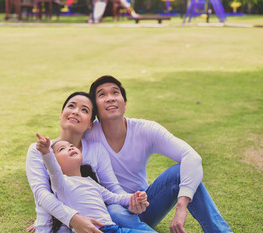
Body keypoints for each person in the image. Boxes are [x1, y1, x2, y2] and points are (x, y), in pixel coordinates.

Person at [84, 75, 232, 233]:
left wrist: (181, 205)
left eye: (115, 92)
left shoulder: (145, 130)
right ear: (94, 108)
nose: (110, 98)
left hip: (145, 205)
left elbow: (192, 156)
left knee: (179, 172)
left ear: (124, 104)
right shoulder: (88, 134)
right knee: (114, 210)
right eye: (102, 94)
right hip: (111, 212)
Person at [26, 92, 154, 233]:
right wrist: (72, 220)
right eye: (71, 106)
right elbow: (44, 189)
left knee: (117, 211)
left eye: (84, 110)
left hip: (106, 224)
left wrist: (133, 199)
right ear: (61, 113)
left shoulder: (94, 158)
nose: (75, 112)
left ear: (90, 124)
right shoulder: (44, 155)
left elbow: (112, 193)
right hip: (70, 225)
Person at [35, 134, 155, 233]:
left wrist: (134, 197)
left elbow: (113, 197)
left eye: (71, 146)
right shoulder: (61, 183)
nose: (70, 148)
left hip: (113, 229)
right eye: (62, 149)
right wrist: (47, 152)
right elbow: (53, 169)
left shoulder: (90, 181)